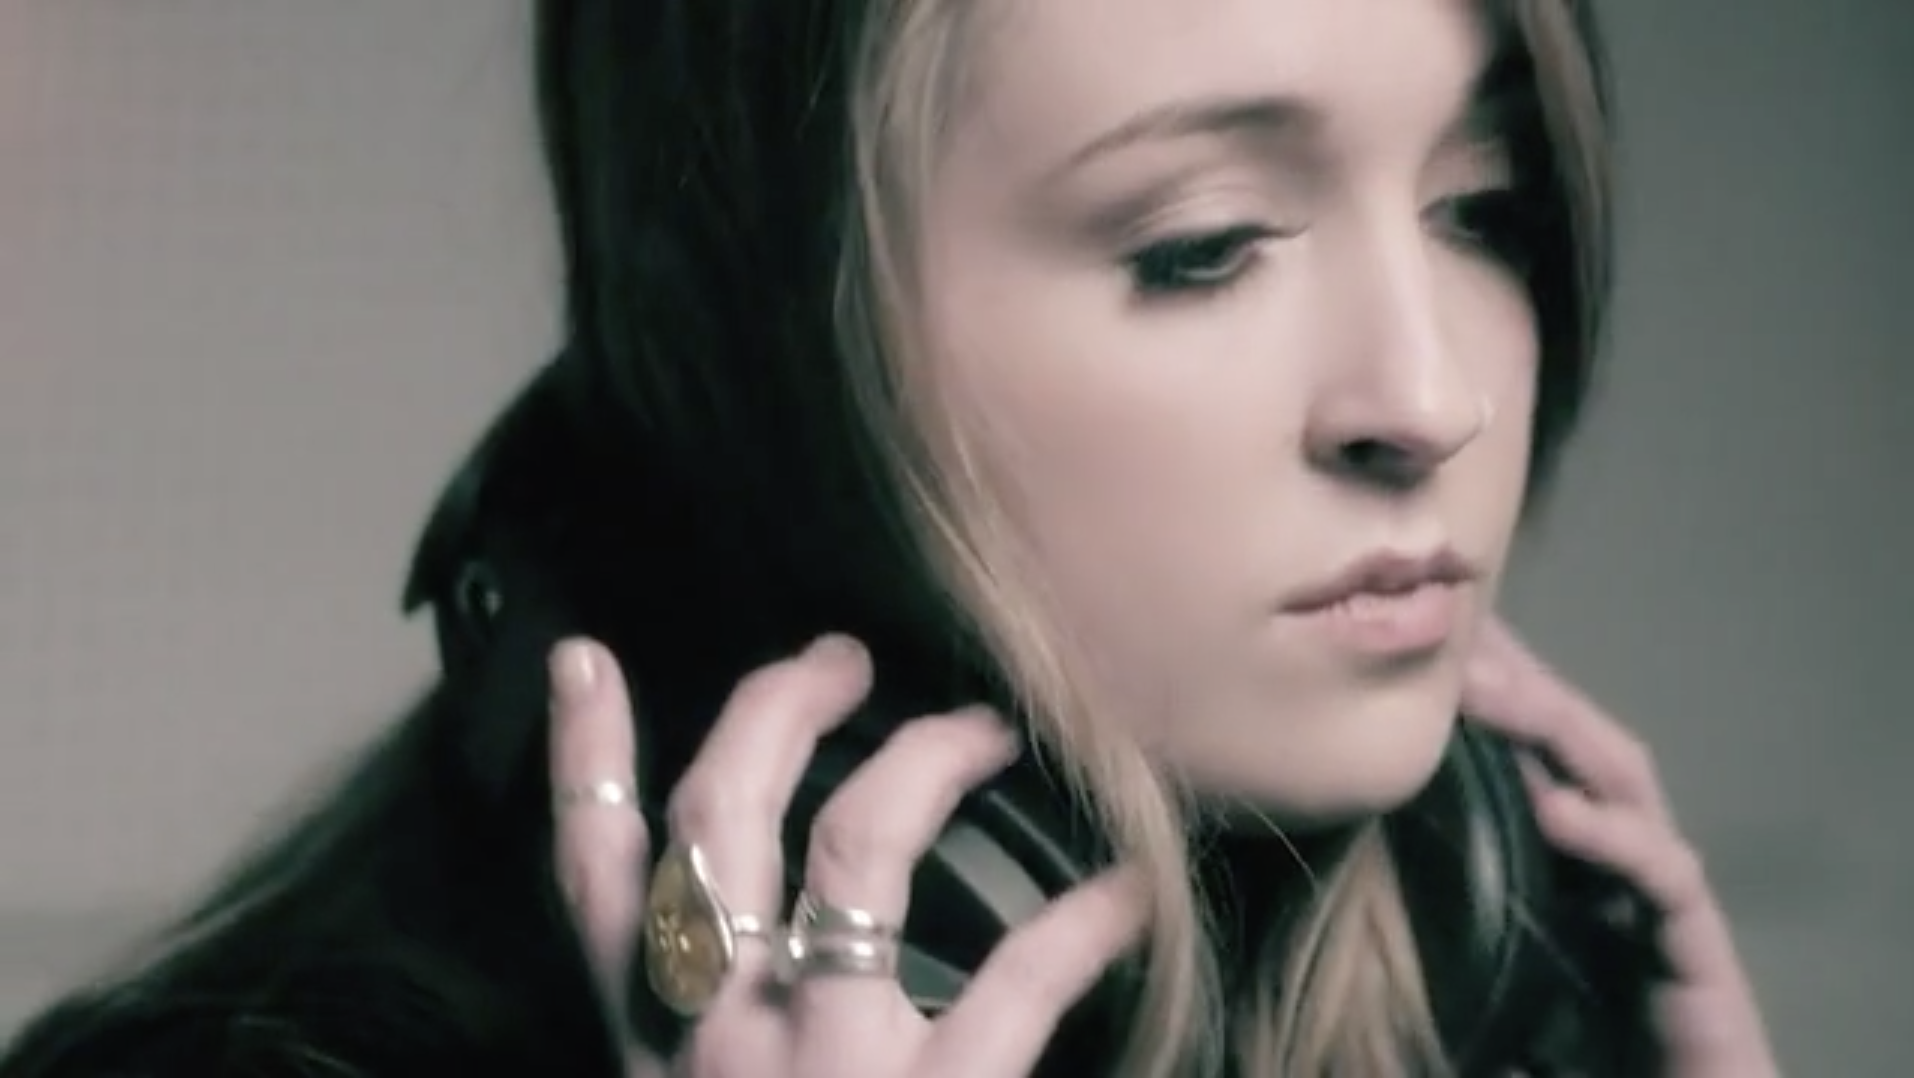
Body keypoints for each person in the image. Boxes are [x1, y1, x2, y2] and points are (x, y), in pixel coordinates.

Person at [1, 0, 1781, 1075]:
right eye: (1204, 241)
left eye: (1481, 207)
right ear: (780, 361)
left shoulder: (1511, 1006)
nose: (1429, 395)